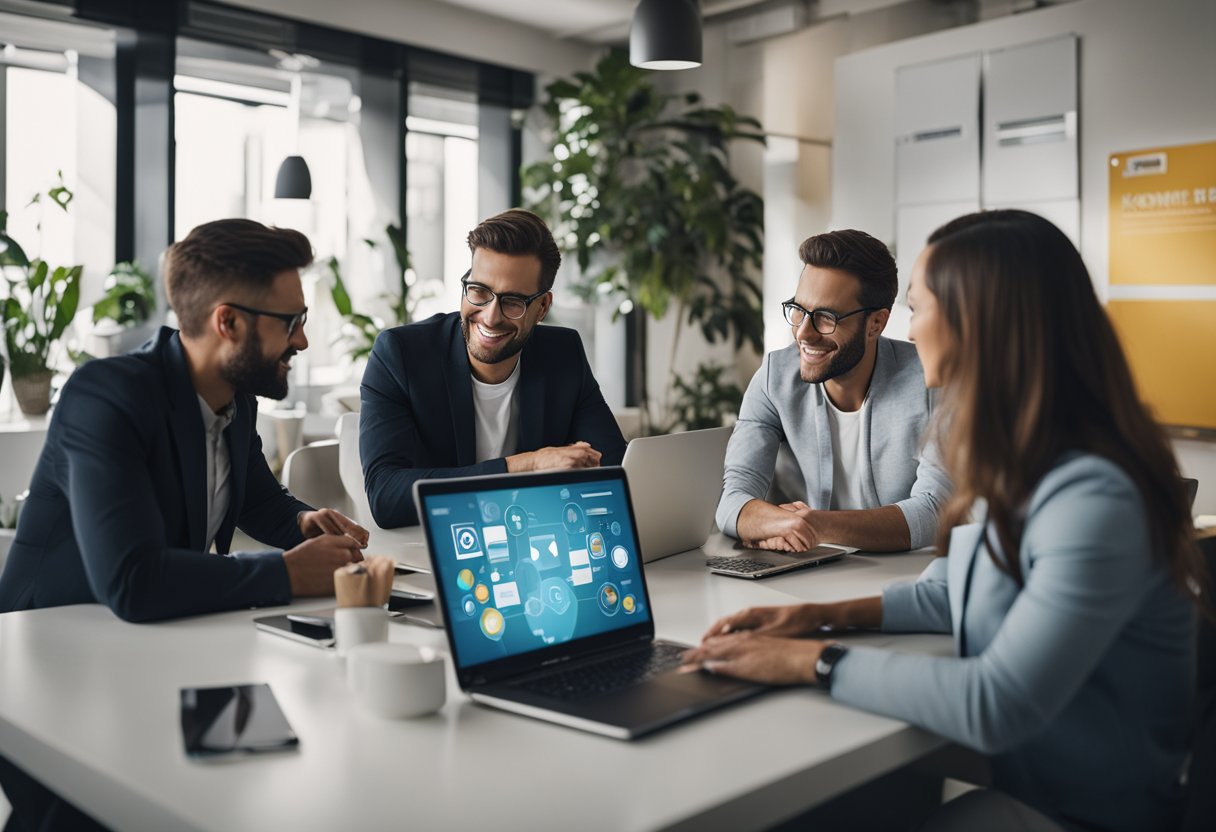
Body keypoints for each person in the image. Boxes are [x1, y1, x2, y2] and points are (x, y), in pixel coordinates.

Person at [684, 210, 1202, 831]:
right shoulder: (1018, 461)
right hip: (1031, 793)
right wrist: (809, 616)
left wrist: (809, 660)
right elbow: (948, 592)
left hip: (1085, 818)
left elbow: (995, 704)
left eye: (918, 308)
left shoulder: (1092, 494)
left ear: (979, 324)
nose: (909, 327)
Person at [0, 218, 368, 623]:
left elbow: (258, 501)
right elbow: (133, 579)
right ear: (227, 322)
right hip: (43, 643)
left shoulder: (236, 399)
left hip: (154, 639)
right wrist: (287, 572)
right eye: (290, 322)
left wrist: (302, 524)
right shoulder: (104, 398)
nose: (302, 341)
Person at [360, 208, 626, 528]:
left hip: (532, 548)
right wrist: (526, 465)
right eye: (479, 291)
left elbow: (613, 469)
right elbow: (386, 497)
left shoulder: (562, 354)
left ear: (542, 307)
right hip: (433, 550)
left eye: (513, 301)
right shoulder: (401, 356)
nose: (490, 316)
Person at [716, 229, 949, 552]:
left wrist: (812, 525)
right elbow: (733, 501)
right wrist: (782, 524)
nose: (804, 333)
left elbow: (935, 511)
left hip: (902, 578)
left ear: (876, 324)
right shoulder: (774, 379)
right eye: (798, 310)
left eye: (826, 317)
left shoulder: (931, 381)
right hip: (807, 573)